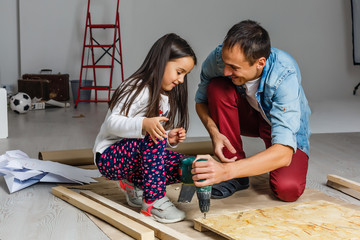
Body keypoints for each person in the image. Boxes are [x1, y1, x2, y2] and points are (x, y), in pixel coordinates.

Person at [192, 20, 311, 202]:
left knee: (288, 189)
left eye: (234, 68)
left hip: (276, 126)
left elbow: (284, 153)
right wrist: (214, 132)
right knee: (217, 88)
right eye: (225, 63)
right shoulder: (218, 59)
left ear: (260, 63)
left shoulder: (285, 75)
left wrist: (225, 171)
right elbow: (200, 102)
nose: (225, 71)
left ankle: (232, 170)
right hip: (247, 117)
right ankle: (236, 172)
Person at [93, 33, 196, 223]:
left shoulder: (165, 97)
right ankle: (153, 201)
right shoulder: (135, 88)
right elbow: (111, 123)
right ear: (161, 62)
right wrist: (145, 125)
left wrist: (167, 137)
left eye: (185, 75)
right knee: (153, 136)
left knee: (184, 165)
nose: (181, 80)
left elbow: (149, 144)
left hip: (135, 160)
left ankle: (135, 186)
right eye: (179, 72)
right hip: (109, 158)